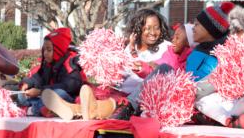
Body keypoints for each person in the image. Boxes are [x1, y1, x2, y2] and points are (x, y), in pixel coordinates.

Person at [44, 8, 172, 120]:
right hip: (120, 91)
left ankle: (77, 110)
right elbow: (121, 74)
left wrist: (142, 65)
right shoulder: (130, 48)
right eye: (147, 28)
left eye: (157, 28)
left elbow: (163, 71)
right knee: (95, 92)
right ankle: (74, 109)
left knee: (113, 102)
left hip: (138, 97)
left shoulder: (166, 47)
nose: (153, 32)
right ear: (138, 29)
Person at [78, 22, 195, 120]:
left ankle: (122, 109)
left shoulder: (188, 55)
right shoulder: (169, 52)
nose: (173, 40)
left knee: (164, 70)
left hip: (165, 100)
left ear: (189, 42)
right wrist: (141, 66)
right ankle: (78, 109)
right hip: (140, 93)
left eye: (178, 37)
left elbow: (183, 79)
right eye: (173, 36)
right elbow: (152, 68)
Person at [16, 27, 83, 120]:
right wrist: (27, 83)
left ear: (58, 50)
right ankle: (40, 108)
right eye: (44, 50)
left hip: (67, 97)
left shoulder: (69, 63)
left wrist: (40, 91)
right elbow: (38, 78)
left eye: (49, 50)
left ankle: (34, 109)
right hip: (46, 96)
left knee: (59, 93)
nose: (45, 53)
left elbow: (70, 86)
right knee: (21, 95)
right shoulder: (48, 64)